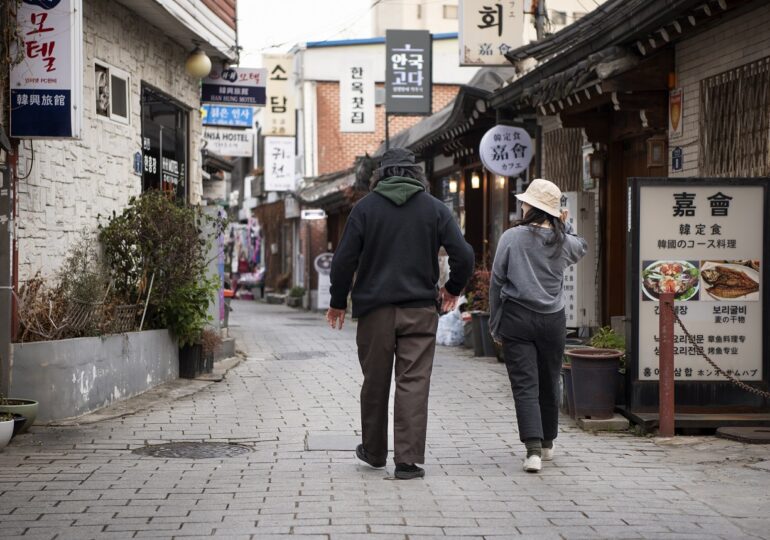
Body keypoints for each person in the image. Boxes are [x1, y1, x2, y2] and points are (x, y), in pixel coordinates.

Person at [326, 148, 474, 480]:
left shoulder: (364, 209)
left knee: (375, 381)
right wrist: (452, 288)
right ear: (417, 176)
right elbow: (464, 255)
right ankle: (407, 461)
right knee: (413, 383)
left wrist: (337, 301)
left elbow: (343, 261)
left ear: (379, 176)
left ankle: (375, 452)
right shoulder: (435, 209)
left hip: (375, 311)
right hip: (420, 310)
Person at [489, 178, 588, 473]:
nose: (520, 205)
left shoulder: (511, 238)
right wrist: (564, 225)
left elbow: (497, 282)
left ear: (531, 207)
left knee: (524, 384)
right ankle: (547, 444)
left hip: (517, 318)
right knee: (549, 379)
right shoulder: (564, 241)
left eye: (524, 202)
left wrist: (495, 323)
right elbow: (581, 247)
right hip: (553, 320)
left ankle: (532, 450)